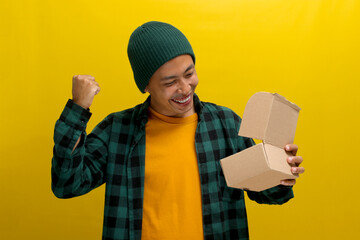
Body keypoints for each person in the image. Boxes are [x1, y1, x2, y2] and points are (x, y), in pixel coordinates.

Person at [51, 21, 305, 240]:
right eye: (170, 82)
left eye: (189, 73)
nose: (184, 88)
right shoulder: (117, 131)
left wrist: (281, 170)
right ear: (146, 86)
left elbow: (270, 195)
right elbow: (67, 185)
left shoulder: (226, 124)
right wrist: (78, 109)